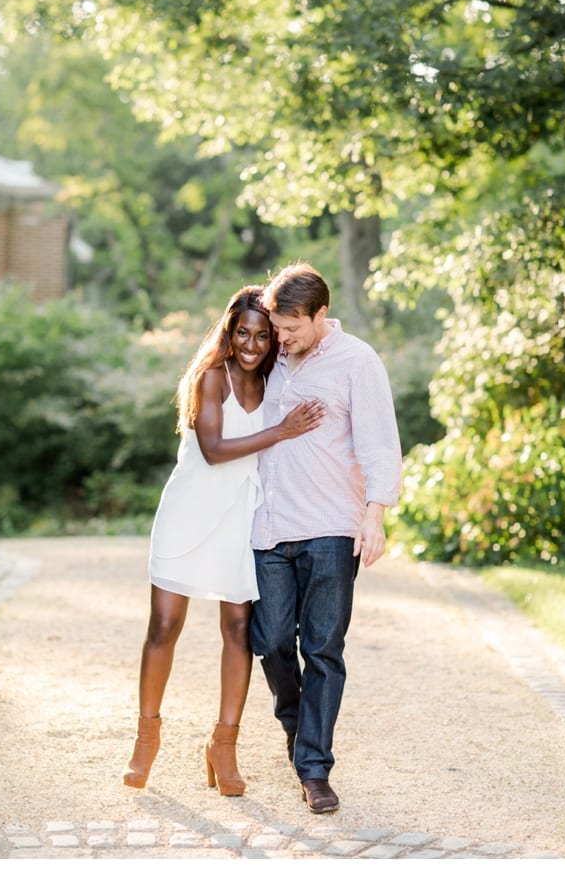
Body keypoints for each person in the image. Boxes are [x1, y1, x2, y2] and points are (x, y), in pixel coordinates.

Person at [123, 286, 325, 795]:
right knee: (164, 626)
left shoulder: (278, 382)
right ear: (229, 333)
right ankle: (146, 739)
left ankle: (223, 746)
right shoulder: (211, 377)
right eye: (243, 333)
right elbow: (212, 449)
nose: (253, 344)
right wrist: (281, 431)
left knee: (238, 631)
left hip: (240, 519)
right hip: (188, 514)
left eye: (263, 335)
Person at [248, 262, 402, 814]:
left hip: (332, 529)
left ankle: (314, 768)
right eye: (276, 326)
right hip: (267, 527)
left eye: (290, 327)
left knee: (322, 649)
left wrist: (375, 514)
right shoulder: (270, 359)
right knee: (267, 641)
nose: (281, 338)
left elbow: (381, 442)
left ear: (320, 316)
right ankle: (297, 728)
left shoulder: (357, 361)